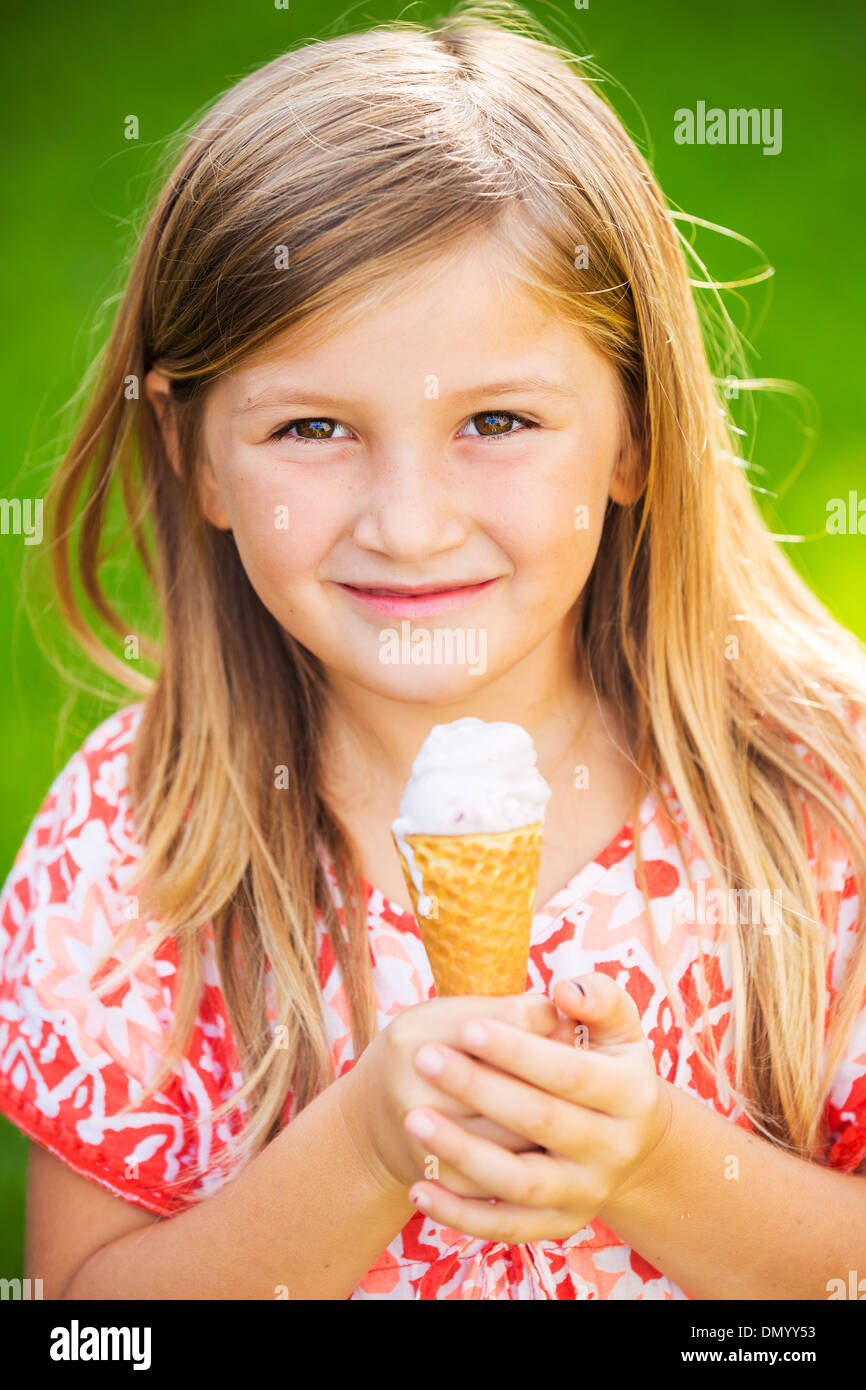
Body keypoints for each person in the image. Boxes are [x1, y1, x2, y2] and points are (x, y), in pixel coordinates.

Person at [2, 2, 866, 1300]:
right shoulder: (135, 847)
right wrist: (357, 1146)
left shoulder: (818, 794)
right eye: (311, 429)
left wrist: (651, 1165)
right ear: (195, 456)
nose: (408, 524)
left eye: (498, 418)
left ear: (633, 430)